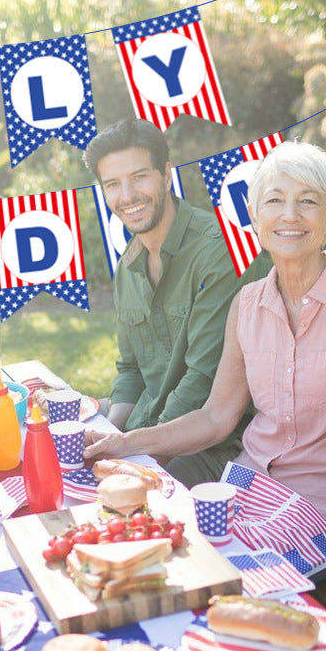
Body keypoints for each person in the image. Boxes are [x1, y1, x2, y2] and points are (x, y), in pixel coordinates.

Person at [85, 140, 326, 516]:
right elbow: (215, 417)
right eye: (275, 201)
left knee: (238, 571)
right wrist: (123, 443)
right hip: (249, 481)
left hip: (314, 501)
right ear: (254, 214)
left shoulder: (213, 256)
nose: (289, 215)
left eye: (308, 201)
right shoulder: (247, 304)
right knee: (142, 532)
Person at [82, 118, 271, 487]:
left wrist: (131, 452)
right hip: (146, 432)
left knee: (120, 510)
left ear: (167, 175)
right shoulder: (128, 266)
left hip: (216, 445)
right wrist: (108, 434)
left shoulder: (219, 254)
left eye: (139, 177)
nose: (128, 195)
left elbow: (203, 384)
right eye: (112, 185)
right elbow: (131, 371)